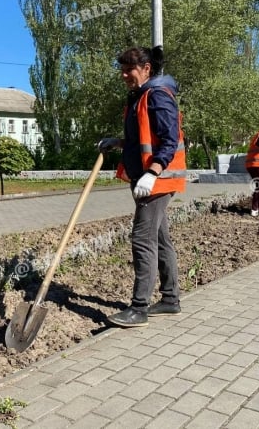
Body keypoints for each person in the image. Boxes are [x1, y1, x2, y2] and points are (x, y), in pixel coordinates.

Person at [98, 45, 187, 328]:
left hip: (157, 181)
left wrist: (152, 173)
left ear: (146, 68)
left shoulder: (158, 95)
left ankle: (139, 309)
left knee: (141, 239)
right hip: (148, 180)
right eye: (121, 71)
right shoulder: (140, 96)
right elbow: (142, 138)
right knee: (160, 239)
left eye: (129, 70)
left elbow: (169, 139)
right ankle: (170, 299)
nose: (124, 75)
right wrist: (119, 142)